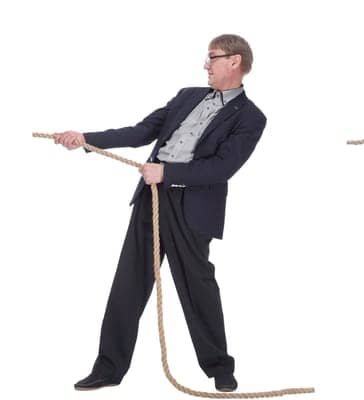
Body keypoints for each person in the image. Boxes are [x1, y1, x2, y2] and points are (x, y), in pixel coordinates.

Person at [53, 34, 267, 393]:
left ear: (235, 62)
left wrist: (168, 172)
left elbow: (222, 168)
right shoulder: (187, 96)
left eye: (212, 58)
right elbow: (142, 131)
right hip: (152, 197)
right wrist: (86, 138)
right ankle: (108, 368)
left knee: (198, 289)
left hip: (193, 207)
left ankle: (219, 368)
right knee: (128, 284)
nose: (205, 65)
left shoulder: (251, 117)